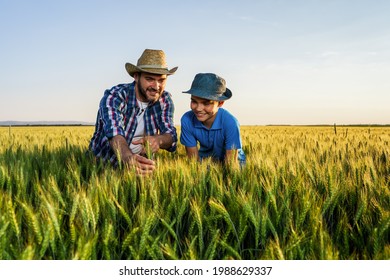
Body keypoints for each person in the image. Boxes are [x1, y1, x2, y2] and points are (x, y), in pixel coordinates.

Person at [89, 49, 178, 174]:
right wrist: (127, 157)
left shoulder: (165, 100)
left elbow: (171, 136)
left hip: (143, 168)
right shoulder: (115, 96)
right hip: (104, 165)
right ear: (136, 76)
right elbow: (115, 133)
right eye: (150, 79)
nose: (156, 86)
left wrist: (159, 140)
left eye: (161, 80)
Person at [180, 73, 246, 167]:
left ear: (220, 103)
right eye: (194, 101)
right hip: (207, 164)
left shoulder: (230, 123)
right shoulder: (187, 120)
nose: (198, 108)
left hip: (235, 164)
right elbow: (194, 162)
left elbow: (231, 165)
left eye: (206, 103)